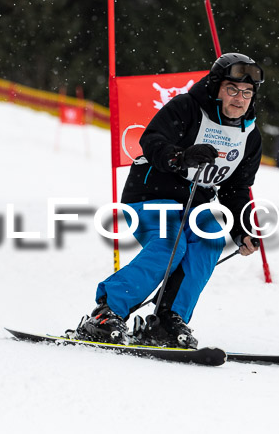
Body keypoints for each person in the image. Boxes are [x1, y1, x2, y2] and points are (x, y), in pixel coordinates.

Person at [76, 53, 264, 348]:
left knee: (211, 240)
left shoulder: (249, 135)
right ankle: (106, 313)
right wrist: (180, 157)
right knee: (169, 245)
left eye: (247, 92)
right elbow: (151, 141)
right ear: (216, 87)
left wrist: (241, 229)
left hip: (194, 205)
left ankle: (166, 321)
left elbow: (235, 189)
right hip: (151, 194)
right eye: (232, 89)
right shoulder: (187, 108)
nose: (239, 99)